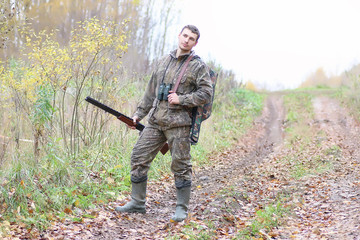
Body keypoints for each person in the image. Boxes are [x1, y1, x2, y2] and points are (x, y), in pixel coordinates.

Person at [115, 25, 213, 222]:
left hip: (179, 124)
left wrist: (182, 99)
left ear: (195, 43)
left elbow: (206, 93)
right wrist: (138, 115)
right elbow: (150, 92)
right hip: (155, 120)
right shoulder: (163, 61)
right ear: (179, 36)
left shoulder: (198, 66)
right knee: (139, 156)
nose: (186, 40)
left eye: (191, 38)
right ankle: (137, 203)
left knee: (181, 165)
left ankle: (181, 209)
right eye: (184, 35)